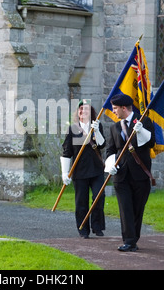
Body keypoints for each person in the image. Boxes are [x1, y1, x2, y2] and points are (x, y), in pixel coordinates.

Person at [104, 94, 155, 252]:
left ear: (123, 108)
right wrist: (110, 165)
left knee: (137, 208)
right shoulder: (115, 127)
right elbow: (110, 150)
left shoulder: (143, 121)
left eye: (115, 109)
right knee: (125, 207)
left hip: (140, 174)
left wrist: (141, 132)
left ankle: (133, 238)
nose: (114, 111)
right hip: (121, 175)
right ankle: (129, 240)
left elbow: (151, 143)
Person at [61, 99, 106, 238]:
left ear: (90, 112)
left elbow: (102, 145)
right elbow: (66, 152)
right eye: (81, 109)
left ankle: (97, 226)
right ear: (78, 112)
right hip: (80, 172)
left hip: (96, 170)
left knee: (99, 196)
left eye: (86, 109)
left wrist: (97, 131)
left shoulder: (97, 126)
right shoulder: (73, 129)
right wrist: (65, 172)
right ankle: (83, 229)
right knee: (81, 201)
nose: (83, 111)